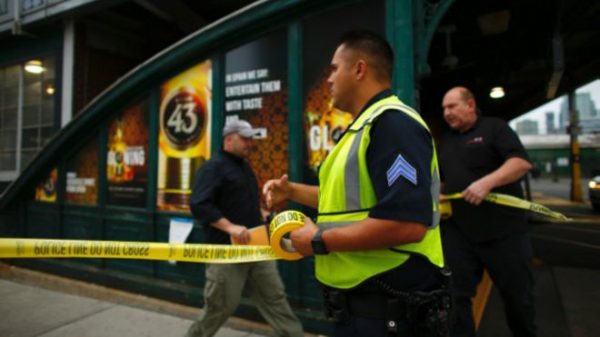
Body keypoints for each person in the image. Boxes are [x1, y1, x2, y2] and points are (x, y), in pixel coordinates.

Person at [263, 30, 450, 337]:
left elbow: (407, 223)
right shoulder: (363, 127)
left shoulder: (392, 124)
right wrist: (292, 191)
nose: (329, 79)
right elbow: (347, 202)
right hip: (363, 309)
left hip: (386, 311)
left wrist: (318, 241)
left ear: (360, 69)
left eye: (335, 69)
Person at [185, 119, 303, 337]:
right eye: (245, 138)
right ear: (229, 139)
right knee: (219, 308)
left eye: (251, 138)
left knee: (275, 299)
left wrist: (262, 213)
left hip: (258, 247)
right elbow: (199, 204)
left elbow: (242, 201)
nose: (250, 143)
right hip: (227, 252)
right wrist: (230, 227)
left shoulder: (244, 166)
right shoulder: (213, 167)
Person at [438, 86, 535, 337]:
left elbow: (520, 163)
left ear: (470, 105)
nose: (446, 113)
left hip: (504, 233)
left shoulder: (495, 128)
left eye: (452, 106)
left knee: (518, 301)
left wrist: (486, 183)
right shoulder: (445, 142)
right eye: (443, 109)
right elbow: (442, 180)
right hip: (460, 234)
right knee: (456, 299)